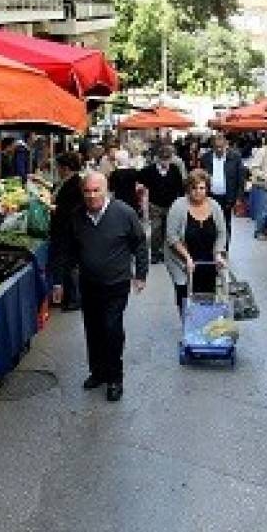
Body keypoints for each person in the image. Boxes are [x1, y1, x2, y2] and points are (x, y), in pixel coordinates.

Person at [50, 172, 148, 402]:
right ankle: (98, 372)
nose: (92, 195)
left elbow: (140, 244)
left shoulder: (123, 213)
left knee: (112, 329)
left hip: (116, 283)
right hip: (89, 283)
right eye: (87, 191)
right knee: (93, 329)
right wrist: (58, 281)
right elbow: (66, 251)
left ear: (106, 191)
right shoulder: (77, 216)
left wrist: (141, 274)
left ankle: (115, 378)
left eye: (96, 190)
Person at [164, 170, 228, 315]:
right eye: (194, 188)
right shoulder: (179, 206)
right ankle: (189, 328)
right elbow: (172, 237)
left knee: (207, 293)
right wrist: (187, 258)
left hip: (207, 257)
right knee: (184, 293)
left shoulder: (214, 206)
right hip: (180, 259)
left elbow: (222, 232)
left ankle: (204, 327)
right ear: (188, 189)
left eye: (202, 188)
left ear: (207, 189)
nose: (198, 192)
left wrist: (218, 253)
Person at [49, 152, 85, 311]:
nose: (57, 170)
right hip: (64, 228)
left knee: (69, 264)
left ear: (66, 168)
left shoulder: (76, 183)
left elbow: (73, 208)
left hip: (68, 229)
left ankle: (74, 298)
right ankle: (70, 297)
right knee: (68, 264)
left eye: (59, 167)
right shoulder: (69, 181)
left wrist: (55, 208)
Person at [139, 145, 185, 263]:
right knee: (156, 229)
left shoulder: (174, 169)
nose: (166, 161)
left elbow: (180, 186)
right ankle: (155, 253)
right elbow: (140, 182)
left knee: (169, 229)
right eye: (163, 159)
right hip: (155, 205)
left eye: (168, 158)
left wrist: (181, 201)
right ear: (158, 158)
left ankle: (167, 252)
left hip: (171, 205)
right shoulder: (149, 170)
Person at [205, 134, 246, 244]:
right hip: (210, 196)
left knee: (225, 223)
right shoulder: (206, 157)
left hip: (227, 197)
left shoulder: (235, 157)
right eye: (216, 147)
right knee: (210, 223)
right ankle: (212, 247)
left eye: (221, 147)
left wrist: (239, 198)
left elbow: (241, 179)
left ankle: (224, 248)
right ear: (212, 146)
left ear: (226, 145)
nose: (219, 149)